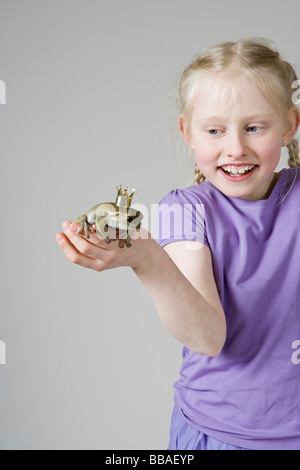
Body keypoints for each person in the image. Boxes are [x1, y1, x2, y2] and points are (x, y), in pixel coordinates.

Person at [55, 38, 300, 450]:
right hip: (221, 436)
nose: (235, 147)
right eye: (214, 130)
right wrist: (148, 259)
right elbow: (207, 339)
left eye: (255, 127)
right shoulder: (180, 210)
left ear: (290, 124)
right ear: (188, 132)